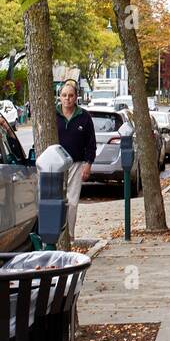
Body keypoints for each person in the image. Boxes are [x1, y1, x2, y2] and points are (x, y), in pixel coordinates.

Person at [55, 80, 97, 240]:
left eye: (71, 95)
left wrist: (88, 164)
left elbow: (91, 144)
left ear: (76, 97)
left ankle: (69, 236)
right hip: (56, 166)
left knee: (72, 202)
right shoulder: (53, 114)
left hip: (76, 164)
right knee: (55, 201)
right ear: (60, 96)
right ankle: (55, 235)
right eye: (64, 95)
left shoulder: (84, 117)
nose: (67, 99)